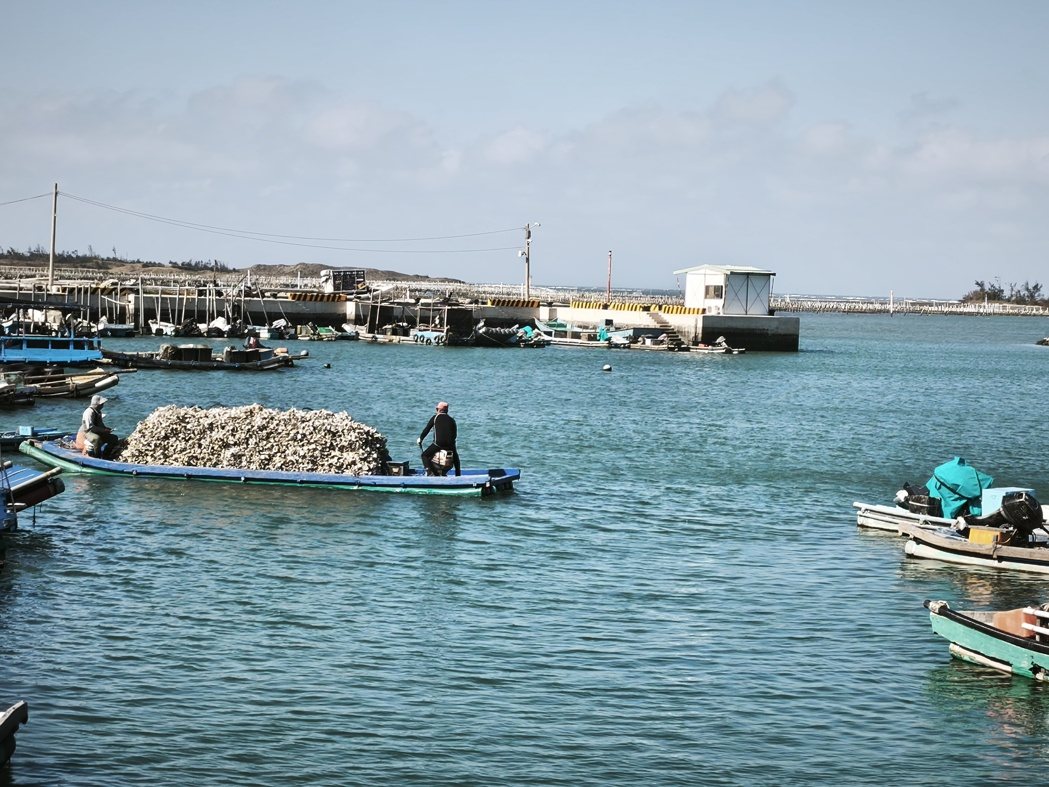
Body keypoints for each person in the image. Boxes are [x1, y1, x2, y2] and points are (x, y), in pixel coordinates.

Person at [417, 401, 460, 477]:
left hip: (439, 443)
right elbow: (454, 434)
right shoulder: (452, 420)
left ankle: (432, 473)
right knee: (456, 459)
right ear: (447, 411)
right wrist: (451, 445)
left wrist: (420, 439)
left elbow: (426, 429)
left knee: (425, 455)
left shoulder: (435, 418)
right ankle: (458, 475)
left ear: (438, 410)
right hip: (450, 444)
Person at [78, 394, 120, 458]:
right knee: (96, 438)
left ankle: (106, 455)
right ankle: (96, 456)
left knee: (113, 438)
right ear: (97, 404)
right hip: (88, 432)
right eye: (101, 404)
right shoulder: (89, 412)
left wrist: (106, 429)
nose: (102, 405)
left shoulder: (98, 412)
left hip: (96, 431)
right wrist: (103, 430)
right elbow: (90, 427)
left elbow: (100, 424)